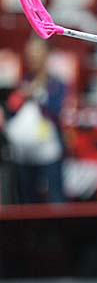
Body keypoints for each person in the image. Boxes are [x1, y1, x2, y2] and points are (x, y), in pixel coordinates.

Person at [3, 37, 67, 204]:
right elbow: (11, 109)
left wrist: (39, 96)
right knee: (27, 200)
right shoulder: (22, 83)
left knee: (55, 197)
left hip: (49, 150)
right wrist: (21, 97)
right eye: (30, 54)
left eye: (37, 53)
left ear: (46, 55)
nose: (33, 57)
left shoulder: (56, 84)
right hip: (23, 153)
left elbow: (57, 111)